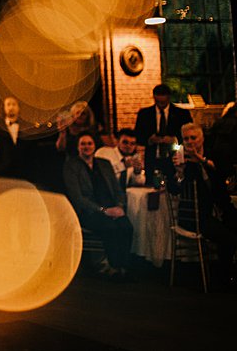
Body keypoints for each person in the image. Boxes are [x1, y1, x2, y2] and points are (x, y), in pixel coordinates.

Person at [173, 123, 237, 286]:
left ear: (202, 139)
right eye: (186, 138)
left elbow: (225, 171)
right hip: (196, 215)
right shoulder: (181, 160)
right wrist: (179, 172)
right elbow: (174, 189)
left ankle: (227, 271)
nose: (189, 142)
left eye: (193, 138)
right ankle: (224, 277)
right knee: (227, 237)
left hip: (221, 207)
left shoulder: (212, 156)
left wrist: (201, 160)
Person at [63, 132, 133, 279]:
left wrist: (120, 206)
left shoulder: (104, 164)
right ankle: (114, 267)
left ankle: (123, 267)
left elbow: (117, 189)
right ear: (78, 147)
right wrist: (104, 210)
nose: (87, 147)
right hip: (90, 211)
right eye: (83, 144)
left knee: (127, 227)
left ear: (95, 146)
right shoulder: (71, 166)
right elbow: (78, 198)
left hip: (112, 209)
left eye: (90, 143)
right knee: (111, 228)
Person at [135, 84, 193, 177]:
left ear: (169, 98)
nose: (161, 104)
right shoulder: (145, 114)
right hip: (152, 158)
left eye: (163, 102)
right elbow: (138, 136)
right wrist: (150, 140)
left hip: (174, 159)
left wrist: (174, 140)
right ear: (154, 97)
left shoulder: (181, 114)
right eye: (158, 102)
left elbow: (190, 134)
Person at [0, 96, 25, 177]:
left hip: (24, 171)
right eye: (8, 104)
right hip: (3, 171)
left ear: (19, 108)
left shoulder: (26, 127)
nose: (11, 107)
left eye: (14, 104)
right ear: (4, 108)